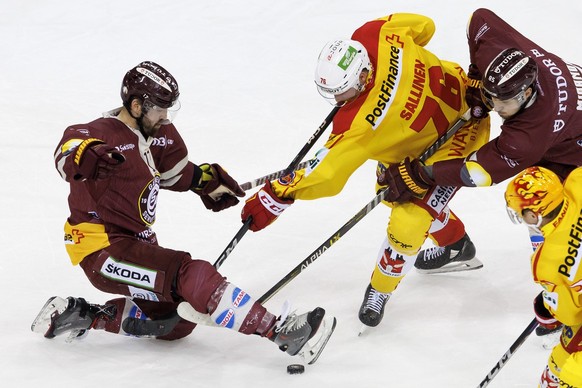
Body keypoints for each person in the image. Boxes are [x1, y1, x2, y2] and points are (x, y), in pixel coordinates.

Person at [31, 61, 336, 364]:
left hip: (136, 244)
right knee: (190, 273)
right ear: (136, 106)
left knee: (176, 323)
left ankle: (84, 315)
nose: (165, 117)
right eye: (159, 109)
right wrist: (86, 156)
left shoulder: (157, 133)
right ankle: (281, 331)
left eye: (169, 109)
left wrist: (206, 181)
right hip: (102, 251)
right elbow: (67, 151)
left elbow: (174, 172)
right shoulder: (101, 133)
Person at [240, 13, 490, 330]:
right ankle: (456, 245)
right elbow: (425, 26)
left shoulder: (356, 126)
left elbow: (327, 177)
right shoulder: (375, 33)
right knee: (391, 188)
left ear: (360, 79)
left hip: (455, 140)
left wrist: (278, 194)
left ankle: (380, 289)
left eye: (340, 92)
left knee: (407, 216)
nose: (335, 100)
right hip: (465, 98)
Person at [380, 8, 582, 266]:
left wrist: (423, 174)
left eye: (502, 102)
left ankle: (557, 275)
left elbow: (477, 172)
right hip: (566, 128)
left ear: (526, 94)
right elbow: (479, 19)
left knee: (540, 206)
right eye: (492, 97)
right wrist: (477, 76)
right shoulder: (500, 59)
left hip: (572, 150)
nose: (494, 108)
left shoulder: (527, 136)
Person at [504, 166, 582, 387]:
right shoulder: (578, 180)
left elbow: (570, 315)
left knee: (565, 371)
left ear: (533, 214)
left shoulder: (546, 263)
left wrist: (547, 310)